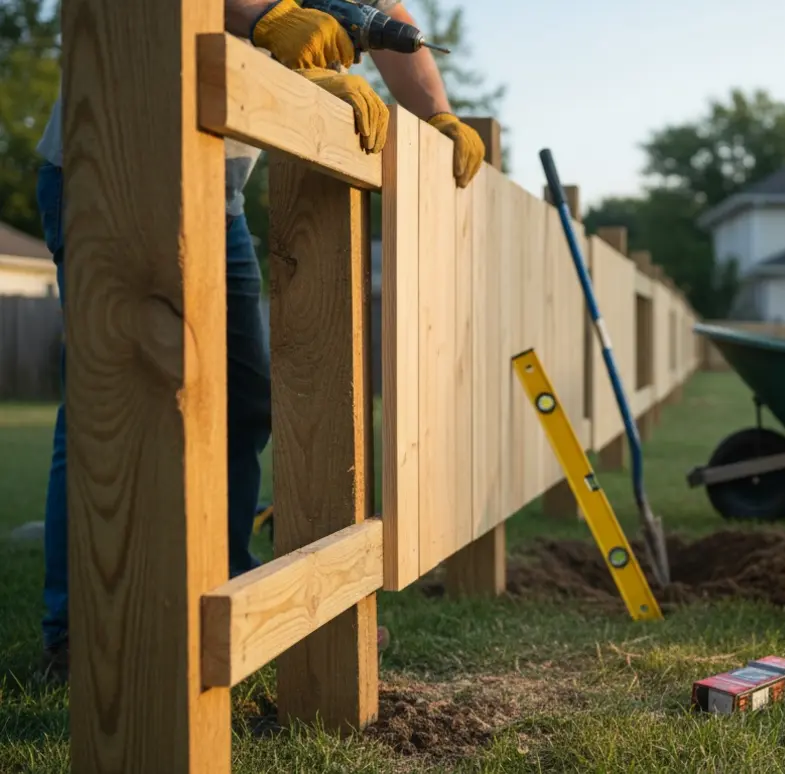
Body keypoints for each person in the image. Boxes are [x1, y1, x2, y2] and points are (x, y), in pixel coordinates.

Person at [34, 0, 485, 680]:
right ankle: (82, 631)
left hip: (214, 178)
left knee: (242, 397)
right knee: (113, 401)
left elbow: (384, 21)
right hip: (112, 153)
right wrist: (265, 17)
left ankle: (222, 592)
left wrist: (438, 116)